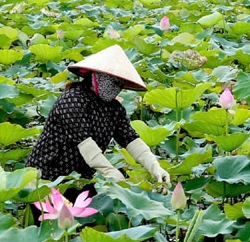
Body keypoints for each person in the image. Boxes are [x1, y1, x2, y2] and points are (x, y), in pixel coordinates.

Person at [26, 44, 171, 185]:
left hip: (80, 180)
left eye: (120, 83)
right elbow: (84, 142)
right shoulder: (72, 99)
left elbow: (130, 139)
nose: (116, 87)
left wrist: (155, 167)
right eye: (112, 81)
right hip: (45, 177)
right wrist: (110, 171)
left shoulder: (115, 109)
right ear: (95, 75)